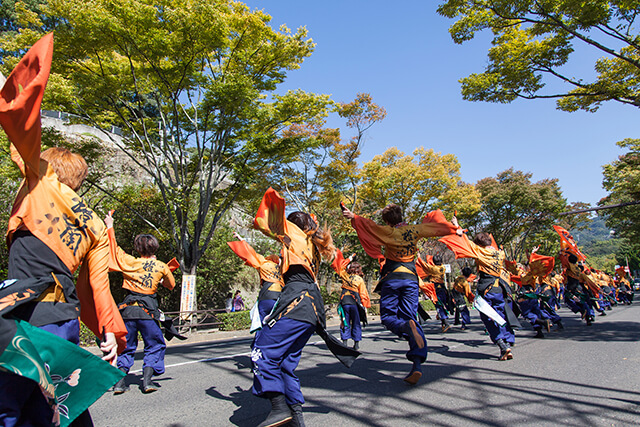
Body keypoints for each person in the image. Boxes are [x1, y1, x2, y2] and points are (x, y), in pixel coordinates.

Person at [0, 33, 127, 426]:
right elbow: (99, 286)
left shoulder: (40, 182)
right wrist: (109, 333)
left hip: (24, 314)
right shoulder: (92, 221)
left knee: (9, 407)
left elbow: (22, 127)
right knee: (56, 405)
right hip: (65, 318)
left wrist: (15, 85)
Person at [341, 202, 459, 384]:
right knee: (411, 318)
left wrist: (354, 217)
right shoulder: (415, 230)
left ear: (387, 221)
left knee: (388, 317)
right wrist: (453, 227)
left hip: (393, 278)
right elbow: (434, 229)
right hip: (411, 280)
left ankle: (407, 330)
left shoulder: (388, 232)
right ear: (401, 216)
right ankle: (417, 364)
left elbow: (369, 227)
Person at [251, 188, 337, 427]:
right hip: (312, 308)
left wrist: (259, 219)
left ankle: (279, 409)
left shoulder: (293, 234)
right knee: (285, 363)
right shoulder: (313, 246)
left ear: (294, 225)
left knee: (262, 352)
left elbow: (264, 222)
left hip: (296, 301)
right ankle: (296, 419)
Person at [104, 213, 176, 394]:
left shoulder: (129, 261)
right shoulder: (161, 266)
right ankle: (147, 381)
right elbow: (171, 285)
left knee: (126, 346)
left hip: (127, 311)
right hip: (148, 312)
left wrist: (110, 225)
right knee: (155, 344)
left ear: (137, 248)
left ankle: (120, 383)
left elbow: (114, 248)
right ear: (155, 248)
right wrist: (159, 281)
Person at [440, 227, 519, 361]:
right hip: (498, 289)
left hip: (486, 289)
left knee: (487, 317)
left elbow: (468, 244)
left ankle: (502, 344)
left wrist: (458, 229)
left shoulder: (481, 252)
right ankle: (507, 340)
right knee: (500, 316)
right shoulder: (500, 254)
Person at [228, 232, 283, 321]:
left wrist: (241, 239)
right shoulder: (283, 268)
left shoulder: (263, 262)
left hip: (267, 296)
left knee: (261, 323)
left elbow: (250, 252)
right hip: (281, 298)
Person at [331, 249, 371, 350]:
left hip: (344, 302)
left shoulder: (345, 276)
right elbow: (363, 294)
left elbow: (340, 267)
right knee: (356, 322)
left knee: (345, 321)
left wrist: (349, 258)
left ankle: (344, 342)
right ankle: (356, 344)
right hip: (355, 303)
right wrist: (365, 307)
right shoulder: (360, 280)